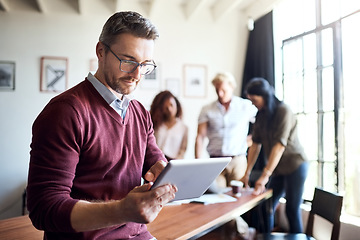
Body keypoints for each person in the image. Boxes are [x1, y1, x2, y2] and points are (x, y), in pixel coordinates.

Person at [26, 11, 177, 240]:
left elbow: (154, 159)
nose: (137, 75)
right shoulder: (65, 112)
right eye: (128, 61)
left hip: (137, 235)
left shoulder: (140, 113)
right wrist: (122, 210)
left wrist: (163, 171)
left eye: (144, 65)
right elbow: (43, 208)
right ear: (101, 52)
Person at [240, 77, 309, 233]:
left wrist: (265, 176)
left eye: (254, 99)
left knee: (291, 210)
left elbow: (279, 146)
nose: (252, 103)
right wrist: (247, 172)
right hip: (278, 168)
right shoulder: (261, 115)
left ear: (264, 95)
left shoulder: (283, 111)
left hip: (295, 166)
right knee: (266, 205)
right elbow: (255, 145)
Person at [195, 72, 257, 190]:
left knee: (238, 197)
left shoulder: (245, 106)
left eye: (223, 90)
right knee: (217, 197)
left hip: (238, 160)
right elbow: (200, 137)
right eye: (217, 90)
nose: (220, 93)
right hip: (215, 161)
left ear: (232, 87)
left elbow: (261, 123)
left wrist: (252, 139)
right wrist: (198, 164)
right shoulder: (207, 109)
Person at [150, 90, 188, 161]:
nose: (169, 109)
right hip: (155, 162)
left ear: (176, 104)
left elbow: (182, 151)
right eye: (166, 107)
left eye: (171, 105)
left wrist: (175, 162)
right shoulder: (155, 124)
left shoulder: (183, 127)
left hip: (173, 162)